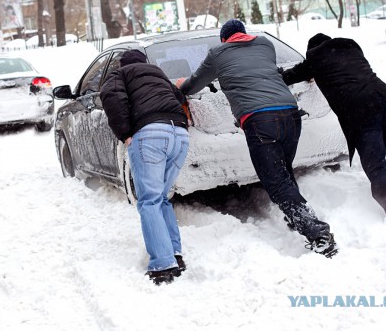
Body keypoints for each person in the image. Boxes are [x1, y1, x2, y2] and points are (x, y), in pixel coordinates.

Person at [176, 19, 337, 258]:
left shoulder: (218, 53)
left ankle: (316, 232)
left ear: (224, 39)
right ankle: (297, 217)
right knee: (283, 171)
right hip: (291, 116)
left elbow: (194, 83)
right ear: (244, 34)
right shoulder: (265, 44)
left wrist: (180, 87)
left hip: (260, 121)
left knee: (276, 182)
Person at [282, 33, 386, 218]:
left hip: (362, 109)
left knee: (376, 165)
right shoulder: (351, 46)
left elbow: (289, 76)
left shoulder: (315, 59)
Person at [100, 49, 190, 285]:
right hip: (180, 134)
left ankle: (162, 264)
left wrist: (125, 133)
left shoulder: (119, 75)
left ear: (122, 64)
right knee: (161, 198)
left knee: (149, 200)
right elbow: (179, 98)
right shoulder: (158, 74)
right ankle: (175, 255)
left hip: (151, 135)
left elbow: (111, 97)